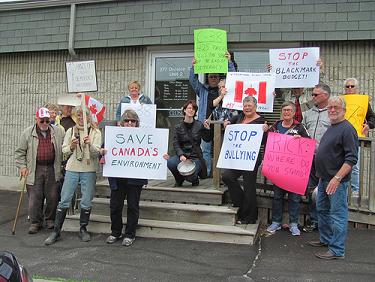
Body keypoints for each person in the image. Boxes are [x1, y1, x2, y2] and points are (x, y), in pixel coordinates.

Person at [309, 96, 358, 260]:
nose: (332, 110)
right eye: (330, 107)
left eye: (336, 107)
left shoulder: (347, 129)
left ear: (344, 110)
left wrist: (337, 178)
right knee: (322, 209)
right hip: (324, 178)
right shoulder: (333, 127)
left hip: (336, 181)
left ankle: (337, 250)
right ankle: (326, 240)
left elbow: (351, 159)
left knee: (337, 214)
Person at [44, 106, 102, 245]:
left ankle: (83, 229)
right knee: (64, 199)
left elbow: (97, 153)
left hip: (88, 169)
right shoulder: (71, 131)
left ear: (89, 117)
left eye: (84, 115)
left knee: (86, 200)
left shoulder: (95, 132)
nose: (81, 118)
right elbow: (64, 151)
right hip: (72, 168)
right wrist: (71, 146)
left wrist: (90, 145)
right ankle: (56, 231)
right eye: (79, 116)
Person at [15, 107, 64, 234]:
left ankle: (50, 220)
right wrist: (23, 167)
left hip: (53, 167)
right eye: (42, 121)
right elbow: (20, 153)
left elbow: (65, 148)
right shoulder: (27, 133)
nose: (44, 123)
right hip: (34, 168)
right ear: (36, 119)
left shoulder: (58, 132)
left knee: (53, 196)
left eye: (47, 121)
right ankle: (35, 222)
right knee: (35, 197)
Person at [265, 101, 310, 236]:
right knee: (277, 196)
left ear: (293, 112)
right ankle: (276, 222)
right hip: (278, 169)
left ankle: (294, 224)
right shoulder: (275, 126)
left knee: (295, 198)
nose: (286, 112)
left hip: (294, 171)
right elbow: (267, 142)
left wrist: (300, 139)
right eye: (284, 110)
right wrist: (265, 131)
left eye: (289, 110)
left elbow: (308, 143)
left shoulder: (300, 127)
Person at [222, 96, 267, 224]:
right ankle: (241, 205)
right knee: (227, 176)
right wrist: (227, 123)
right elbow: (229, 122)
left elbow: (263, 141)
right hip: (238, 157)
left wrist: (265, 131)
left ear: (255, 107)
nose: (247, 108)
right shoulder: (239, 117)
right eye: (245, 106)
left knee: (249, 186)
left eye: (250, 106)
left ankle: (250, 217)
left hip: (251, 159)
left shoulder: (261, 121)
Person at [189, 52, 236, 177]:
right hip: (206, 124)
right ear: (208, 78)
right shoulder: (203, 90)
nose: (213, 79)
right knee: (206, 150)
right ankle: (208, 173)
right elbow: (193, 80)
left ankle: (221, 175)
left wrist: (229, 62)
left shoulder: (226, 88)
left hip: (224, 124)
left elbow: (234, 77)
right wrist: (193, 67)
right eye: (211, 77)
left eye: (215, 77)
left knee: (223, 150)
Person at [301, 83, 331, 233]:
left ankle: (326, 222)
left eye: (315, 95)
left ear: (325, 96)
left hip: (327, 160)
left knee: (326, 191)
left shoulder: (332, 114)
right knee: (311, 190)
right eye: (312, 94)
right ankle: (314, 220)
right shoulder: (308, 113)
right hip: (309, 158)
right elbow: (301, 131)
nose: (312, 97)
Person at [343, 78, 375, 196]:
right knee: (340, 164)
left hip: (357, 137)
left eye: (352, 86)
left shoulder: (364, 101)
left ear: (357, 88)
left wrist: (368, 125)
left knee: (354, 166)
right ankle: (343, 190)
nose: (350, 88)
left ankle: (354, 191)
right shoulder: (340, 100)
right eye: (347, 86)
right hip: (340, 137)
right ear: (344, 89)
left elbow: (373, 118)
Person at [167, 100, 210, 187]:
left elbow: (207, 139)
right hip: (183, 155)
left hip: (195, 157)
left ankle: (194, 179)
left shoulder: (199, 125)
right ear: (184, 110)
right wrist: (181, 155)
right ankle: (179, 180)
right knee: (170, 162)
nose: (191, 110)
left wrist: (207, 130)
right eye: (189, 108)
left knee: (190, 176)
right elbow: (175, 143)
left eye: (193, 109)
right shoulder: (178, 126)